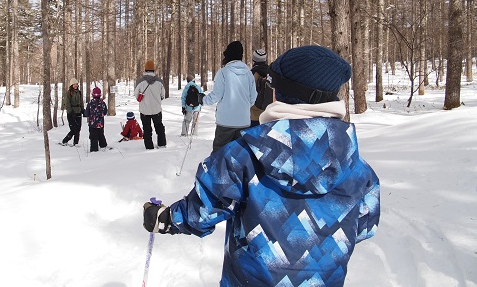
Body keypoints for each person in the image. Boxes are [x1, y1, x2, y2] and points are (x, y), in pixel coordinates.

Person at [142, 45, 381, 287]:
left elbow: (204, 209)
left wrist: (167, 218)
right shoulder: (359, 170)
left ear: (280, 93)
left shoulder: (243, 157)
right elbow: (364, 226)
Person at [199, 40, 256, 152]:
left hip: (226, 122)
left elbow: (216, 95)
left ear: (228, 56)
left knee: (219, 154)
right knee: (239, 154)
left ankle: (218, 170)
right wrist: (242, 107)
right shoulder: (249, 73)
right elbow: (253, 98)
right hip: (243, 121)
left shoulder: (223, 72)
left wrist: (202, 100)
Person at [134, 60, 166, 149]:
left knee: (147, 129)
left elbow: (136, 95)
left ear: (145, 69)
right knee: (159, 127)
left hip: (144, 110)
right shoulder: (160, 81)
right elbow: (163, 95)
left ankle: (149, 147)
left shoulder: (140, 81)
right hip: (157, 109)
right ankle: (162, 144)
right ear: (153, 69)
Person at [61, 78, 83, 146]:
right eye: (74, 84)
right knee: (73, 129)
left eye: (76, 84)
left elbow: (81, 102)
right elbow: (67, 103)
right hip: (71, 113)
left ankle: (76, 143)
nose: (76, 85)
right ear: (71, 85)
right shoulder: (69, 93)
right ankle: (65, 140)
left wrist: (83, 110)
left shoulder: (79, 92)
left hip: (78, 112)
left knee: (78, 129)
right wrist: (70, 111)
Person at [85, 87, 108, 152]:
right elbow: (105, 111)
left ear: (92, 94)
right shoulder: (102, 103)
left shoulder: (90, 103)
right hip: (100, 123)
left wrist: (88, 114)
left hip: (92, 124)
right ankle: (103, 145)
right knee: (101, 134)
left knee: (93, 136)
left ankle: (94, 149)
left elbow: (87, 113)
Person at [250, 48, 269, 127]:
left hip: (254, 115)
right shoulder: (271, 73)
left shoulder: (251, 74)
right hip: (268, 115)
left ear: (253, 60)